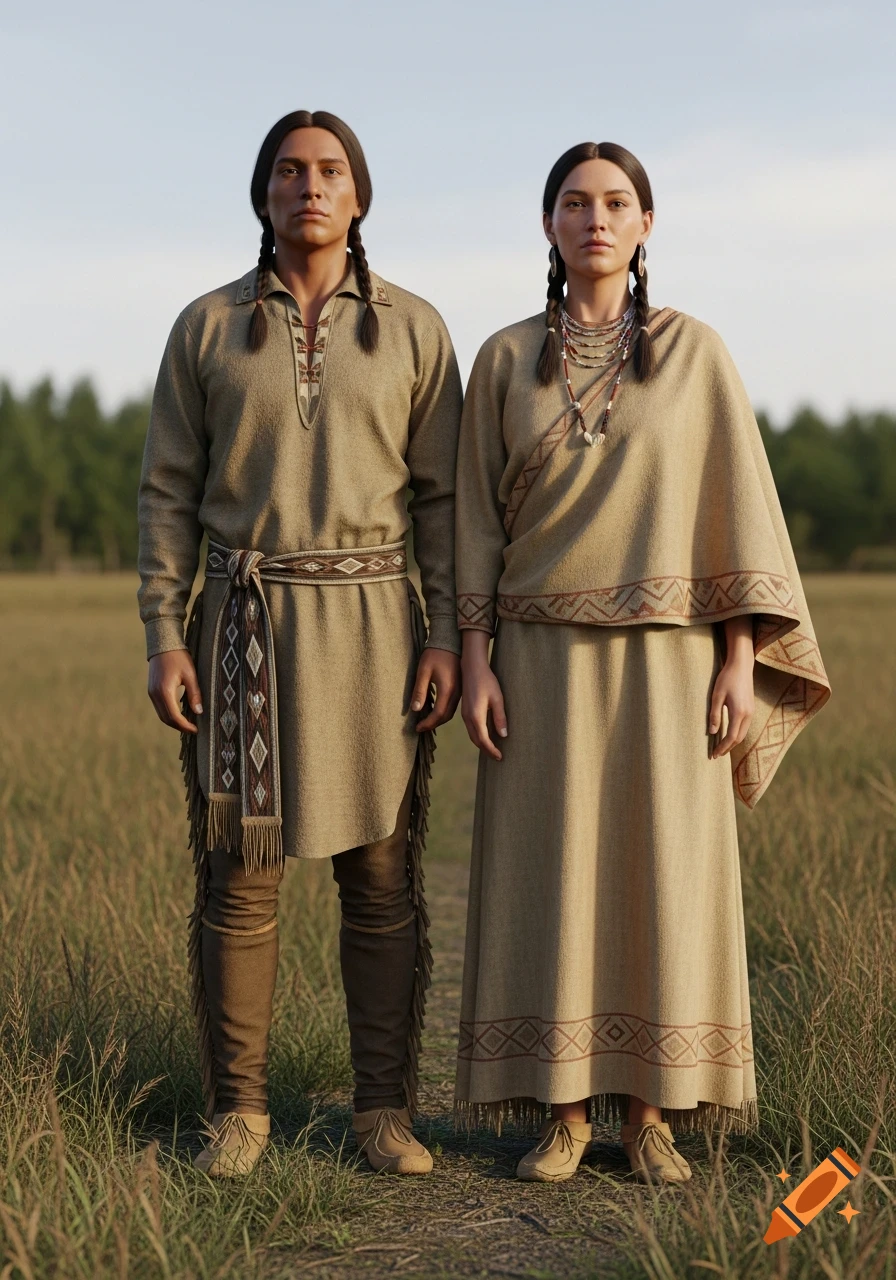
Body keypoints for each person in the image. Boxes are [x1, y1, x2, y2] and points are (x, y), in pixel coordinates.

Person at [453, 141, 830, 1184]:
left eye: (615, 202)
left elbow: (735, 516)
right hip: (536, 660)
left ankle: (650, 1115)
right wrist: (475, 659)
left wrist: (737, 657)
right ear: (548, 225)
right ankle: (564, 1114)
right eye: (573, 202)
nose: (595, 219)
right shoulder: (500, 359)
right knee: (554, 878)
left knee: (659, 876)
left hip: (673, 661)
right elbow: (475, 527)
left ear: (645, 224)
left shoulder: (694, 353)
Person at [138, 110, 462, 1178]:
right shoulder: (206, 325)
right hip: (242, 627)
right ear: (263, 193)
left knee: (380, 874)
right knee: (241, 874)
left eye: (328, 171)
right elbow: (169, 493)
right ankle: (241, 1110)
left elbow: (442, 499)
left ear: (358, 195)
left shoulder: (412, 328)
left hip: (374, 626)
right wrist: (162, 634)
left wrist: (449, 635)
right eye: (288, 171)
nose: (308, 187)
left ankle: (382, 1112)